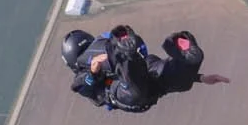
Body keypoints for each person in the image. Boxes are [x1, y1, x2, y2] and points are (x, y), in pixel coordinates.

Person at [60, 24, 221, 113]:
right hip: (123, 89)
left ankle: (185, 59)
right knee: (138, 80)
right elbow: (82, 85)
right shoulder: (82, 79)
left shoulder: (85, 71)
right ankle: (125, 55)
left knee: (170, 76)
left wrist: (199, 77)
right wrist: (93, 72)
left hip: (144, 85)